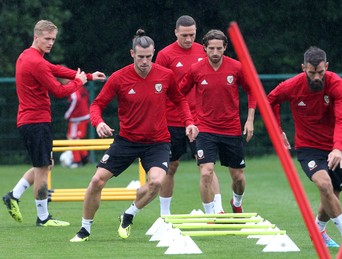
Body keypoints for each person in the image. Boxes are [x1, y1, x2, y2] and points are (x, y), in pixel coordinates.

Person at [70, 29, 198, 242]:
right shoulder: (119, 78)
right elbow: (97, 104)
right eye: (141, 57)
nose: (145, 61)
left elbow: (180, 100)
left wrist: (189, 122)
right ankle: (84, 230)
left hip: (157, 142)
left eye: (149, 56)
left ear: (154, 53)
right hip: (127, 141)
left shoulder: (165, 76)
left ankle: (129, 213)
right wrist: (98, 122)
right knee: (96, 182)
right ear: (132, 54)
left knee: (157, 182)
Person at [2, 20, 106, 227]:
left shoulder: (27, 55)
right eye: (47, 39)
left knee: (45, 165)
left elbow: (56, 69)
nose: (51, 43)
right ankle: (42, 218)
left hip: (31, 121)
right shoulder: (36, 62)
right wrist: (79, 82)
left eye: (53, 39)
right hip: (36, 122)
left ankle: (13, 195)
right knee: (42, 169)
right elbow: (59, 90)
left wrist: (88, 76)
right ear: (36, 37)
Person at [266, 46, 342, 251]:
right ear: (303, 68)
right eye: (311, 72)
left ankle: (318, 229)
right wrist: (278, 130)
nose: (317, 77)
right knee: (324, 185)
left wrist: (336, 147)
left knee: (332, 194)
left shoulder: (338, 85)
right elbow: (270, 100)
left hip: (336, 147)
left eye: (321, 72)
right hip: (308, 147)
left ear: (327, 66)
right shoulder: (291, 86)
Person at [179, 29, 256, 214]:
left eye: (219, 48)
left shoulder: (236, 67)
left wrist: (250, 120)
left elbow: (253, 90)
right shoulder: (196, 70)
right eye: (211, 48)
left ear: (225, 48)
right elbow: (179, 94)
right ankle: (210, 215)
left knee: (238, 178)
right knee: (206, 171)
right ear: (204, 48)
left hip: (231, 129)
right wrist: (189, 121)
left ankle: (236, 202)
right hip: (205, 128)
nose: (215, 53)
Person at [155, 15, 224, 215]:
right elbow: (159, 87)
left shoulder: (205, 52)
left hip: (200, 120)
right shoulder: (165, 55)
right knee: (171, 166)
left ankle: (218, 209)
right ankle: (165, 214)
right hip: (172, 119)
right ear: (175, 32)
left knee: (207, 165)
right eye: (184, 35)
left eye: (192, 34)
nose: (188, 39)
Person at [63, 84, 90, 168]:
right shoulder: (80, 85)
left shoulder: (73, 85)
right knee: (76, 138)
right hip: (83, 115)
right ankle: (84, 157)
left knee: (72, 138)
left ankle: (77, 161)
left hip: (77, 118)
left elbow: (76, 98)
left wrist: (68, 113)